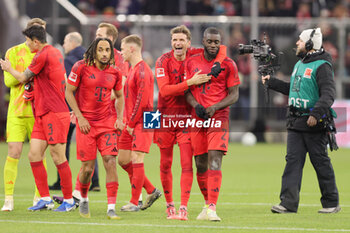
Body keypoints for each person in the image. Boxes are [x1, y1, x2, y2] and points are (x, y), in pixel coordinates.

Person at [262, 28, 340, 214]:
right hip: (296, 122)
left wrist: (316, 114)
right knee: (292, 163)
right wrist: (272, 82)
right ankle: (288, 203)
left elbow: (329, 94)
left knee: (320, 162)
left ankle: (331, 203)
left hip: (314, 123)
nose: (297, 43)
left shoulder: (322, 66)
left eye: (300, 40)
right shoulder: (301, 63)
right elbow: (295, 89)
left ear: (310, 44)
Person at [154, 25, 226, 220]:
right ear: (171, 42)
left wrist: (218, 63)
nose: (178, 43)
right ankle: (169, 206)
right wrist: (190, 82)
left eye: (181, 40)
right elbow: (165, 91)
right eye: (175, 40)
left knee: (187, 164)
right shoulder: (162, 61)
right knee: (165, 163)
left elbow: (223, 49)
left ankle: (183, 209)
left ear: (188, 43)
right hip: (163, 117)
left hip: (187, 118)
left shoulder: (195, 53)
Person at [0, 25, 74, 212]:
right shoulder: (55, 52)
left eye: (28, 40)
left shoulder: (42, 55)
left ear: (35, 41)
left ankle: (69, 201)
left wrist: (8, 68)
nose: (26, 44)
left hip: (54, 112)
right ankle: (45, 198)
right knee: (34, 154)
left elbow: (24, 77)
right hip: (42, 113)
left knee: (58, 157)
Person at [185, 27, 240, 221]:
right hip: (197, 117)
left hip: (219, 117)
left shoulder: (229, 64)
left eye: (217, 42)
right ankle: (207, 204)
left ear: (221, 42)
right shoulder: (191, 62)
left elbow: (234, 95)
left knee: (215, 159)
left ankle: (212, 207)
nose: (213, 45)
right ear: (203, 41)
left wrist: (215, 107)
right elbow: (187, 90)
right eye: (210, 41)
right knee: (200, 164)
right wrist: (196, 105)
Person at [65, 37, 124, 219]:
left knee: (110, 162)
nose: (105, 53)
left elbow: (120, 96)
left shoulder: (115, 72)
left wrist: (119, 118)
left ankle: (111, 208)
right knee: (88, 169)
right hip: (86, 125)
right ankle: (83, 199)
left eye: (108, 50)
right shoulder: (80, 67)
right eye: (101, 50)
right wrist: (80, 117)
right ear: (94, 51)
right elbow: (68, 91)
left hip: (107, 123)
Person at [1, 18, 47, 212]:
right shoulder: (13, 51)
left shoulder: (48, 52)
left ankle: (39, 197)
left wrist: (23, 74)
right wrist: (29, 76)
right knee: (14, 152)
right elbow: (9, 81)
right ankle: (8, 199)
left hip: (40, 112)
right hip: (18, 111)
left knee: (39, 155)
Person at [119, 35, 161, 212]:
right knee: (123, 159)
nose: (120, 52)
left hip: (147, 118)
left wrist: (131, 122)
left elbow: (143, 102)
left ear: (131, 49)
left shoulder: (143, 70)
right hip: (135, 119)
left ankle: (134, 202)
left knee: (137, 159)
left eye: (122, 48)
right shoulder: (133, 69)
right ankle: (151, 190)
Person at [49, 32, 86, 191]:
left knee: (63, 145)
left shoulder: (70, 61)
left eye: (65, 42)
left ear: (72, 43)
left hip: (71, 109)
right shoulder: (88, 57)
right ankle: (95, 181)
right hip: (88, 108)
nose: (63, 45)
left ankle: (62, 181)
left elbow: (67, 86)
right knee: (88, 145)